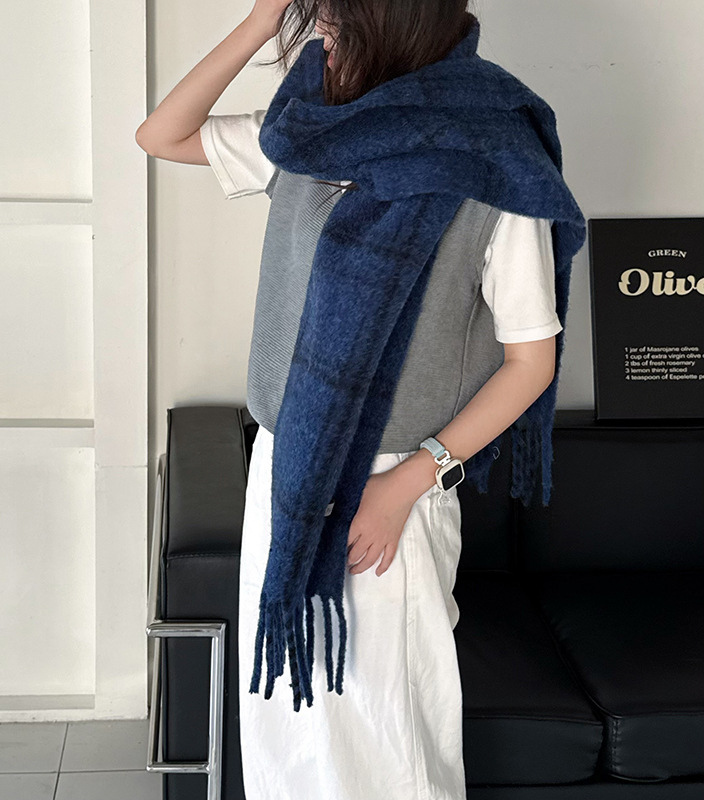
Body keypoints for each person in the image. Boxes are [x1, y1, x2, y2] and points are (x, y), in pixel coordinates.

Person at [136, 2, 568, 798]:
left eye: (334, 26)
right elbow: (162, 135)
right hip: (287, 467)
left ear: (391, 25)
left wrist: (404, 487)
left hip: (393, 486)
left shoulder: (493, 164)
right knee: (291, 726)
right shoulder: (307, 135)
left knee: (386, 734)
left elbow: (531, 362)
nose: (319, 42)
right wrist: (262, 18)